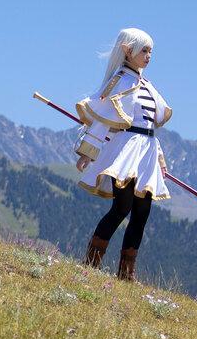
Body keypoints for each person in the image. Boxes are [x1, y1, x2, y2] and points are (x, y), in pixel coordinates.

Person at [73, 27, 173, 280]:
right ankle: (91, 263)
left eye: (151, 51)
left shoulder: (147, 86)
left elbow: (149, 126)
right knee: (122, 207)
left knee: (142, 213)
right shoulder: (120, 82)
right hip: (126, 150)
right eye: (144, 50)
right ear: (128, 51)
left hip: (147, 153)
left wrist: (160, 160)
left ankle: (126, 274)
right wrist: (88, 153)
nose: (148, 56)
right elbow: (103, 120)